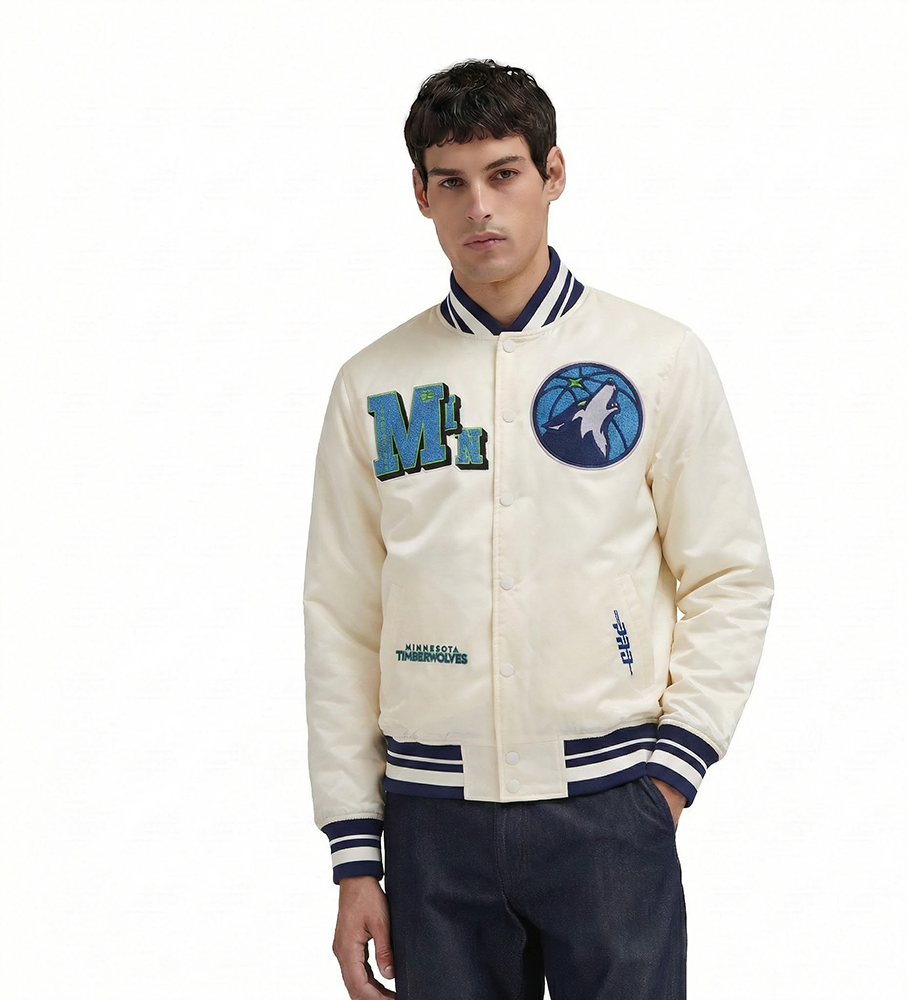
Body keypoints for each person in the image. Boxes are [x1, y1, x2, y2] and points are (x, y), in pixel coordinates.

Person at [303, 57, 774, 1000]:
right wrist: (355, 853)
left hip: (610, 810)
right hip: (433, 826)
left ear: (553, 173)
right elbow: (342, 619)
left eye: (504, 173)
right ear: (420, 195)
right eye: (451, 182)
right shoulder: (373, 384)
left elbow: (730, 576)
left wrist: (671, 773)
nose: (480, 207)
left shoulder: (656, 359)